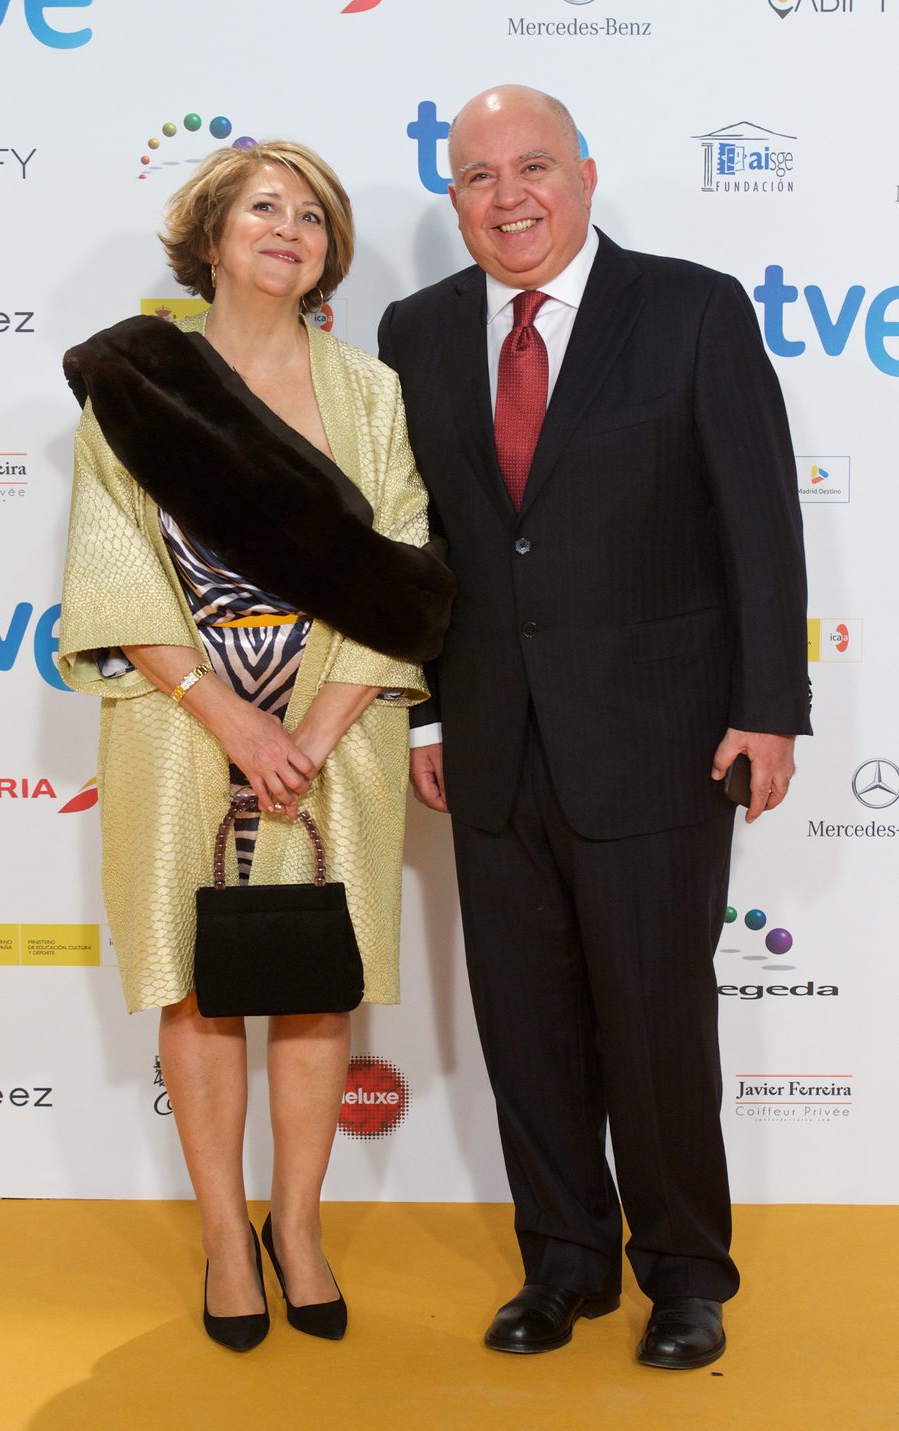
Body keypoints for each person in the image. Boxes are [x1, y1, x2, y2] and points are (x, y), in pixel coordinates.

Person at [379, 86, 810, 1368]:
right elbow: (424, 547)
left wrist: (768, 709)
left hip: (663, 740)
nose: (508, 197)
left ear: (584, 174)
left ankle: (686, 1275)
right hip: (493, 743)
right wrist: (424, 715)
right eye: (476, 178)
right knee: (526, 1024)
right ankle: (562, 1263)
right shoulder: (414, 329)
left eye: (533, 167)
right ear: (450, 199)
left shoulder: (690, 306)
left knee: (659, 1023)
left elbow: (760, 519)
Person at [57, 141, 454, 1352]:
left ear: (327, 254)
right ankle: (227, 1237)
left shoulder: (372, 393)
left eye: (314, 218)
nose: (289, 230)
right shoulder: (137, 384)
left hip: (340, 730)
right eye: (263, 209)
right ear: (213, 237)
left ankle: (299, 1227)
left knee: (315, 981)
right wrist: (230, 717)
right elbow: (111, 569)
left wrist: (316, 725)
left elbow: (407, 569)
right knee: (198, 982)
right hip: (181, 732)